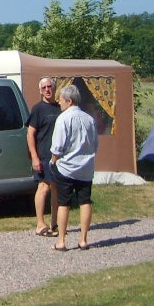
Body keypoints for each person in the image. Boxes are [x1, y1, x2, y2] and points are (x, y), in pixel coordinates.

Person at [49, 84, 99, 252]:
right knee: (85, 201)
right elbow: (94, 145)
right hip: (85, 168)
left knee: (64, 203)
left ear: (69, 101)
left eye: (61, 100)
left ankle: (61, 241)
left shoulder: (63, 118)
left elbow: (57, 146)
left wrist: (53, 161)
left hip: (66, 168)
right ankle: (83, 240)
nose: (59, 103)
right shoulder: (89, 119)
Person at [26, 77, 60, 236]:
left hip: (59, 156)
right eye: (44, 87)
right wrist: (34, 157)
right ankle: (40, 223)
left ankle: (55, 224)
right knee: (43, 187)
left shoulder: (60, 107)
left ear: (54, 88)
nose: (47, 90)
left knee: (57, 188)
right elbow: (30, 134)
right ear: (40, 91)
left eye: (50, 87)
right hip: (43, 155)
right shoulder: (38, 109)